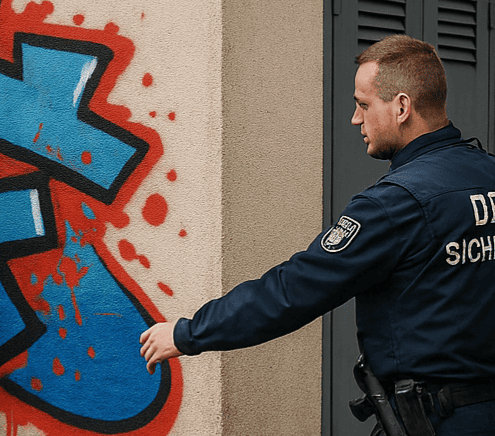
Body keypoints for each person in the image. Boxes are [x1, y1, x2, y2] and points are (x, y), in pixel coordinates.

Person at [140, 35, 495, 435]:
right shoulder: (488, 174)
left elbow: (294, 290)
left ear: (401, 107)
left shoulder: (394, 205)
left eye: (363, 104)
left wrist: (188, 333)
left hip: (435, 421)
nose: (355, 119)